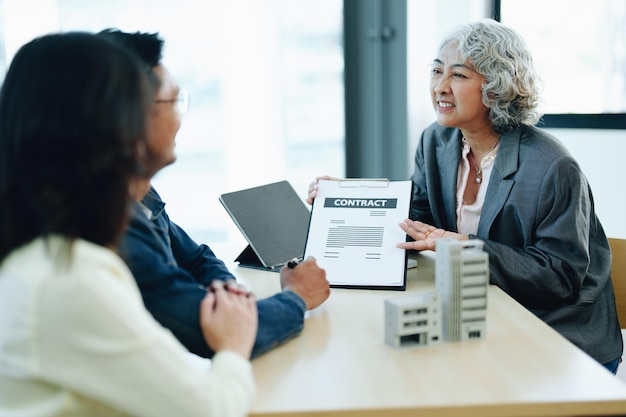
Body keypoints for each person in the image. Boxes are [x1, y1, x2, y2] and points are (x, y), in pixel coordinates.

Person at [308, 19, 623, 373]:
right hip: (487, 316)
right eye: (436, 71)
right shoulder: (436, 141)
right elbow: (418, 214)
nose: (440, 87)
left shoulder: (553, 167)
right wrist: (350, 196)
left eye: (458, 76)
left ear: (497, 87)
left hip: (560, 335)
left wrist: (467, 248)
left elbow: (559, 277)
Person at [0, 32, 257, 416]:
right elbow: (209, 410)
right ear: (104, 129)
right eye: (137, 109)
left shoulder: (39, 257)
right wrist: (235, 345)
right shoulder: (72, 278)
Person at [97, 29, 331, 359]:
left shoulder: (140, 197)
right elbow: (214, 336)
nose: (180, 116)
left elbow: (196, 257)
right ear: (132, 114)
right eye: (174, 100)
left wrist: (229, 292)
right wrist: (297, 296)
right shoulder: (113, 226)